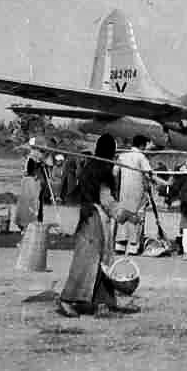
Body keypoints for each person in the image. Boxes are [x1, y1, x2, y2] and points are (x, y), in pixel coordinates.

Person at [58, 134, 140, 317]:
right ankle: (68, 299)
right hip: (94, 220)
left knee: (103, 262)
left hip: (89, 216)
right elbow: (107, 200)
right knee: (88, 261)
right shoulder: (102, 170)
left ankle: (103, 302)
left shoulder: (91, 167)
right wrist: (128, 216)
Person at [115, 136, 153, 255]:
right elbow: (149, 174)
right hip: (137, 193)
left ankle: (120, 245)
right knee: (137, 218)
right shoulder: (141, 157)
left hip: (124, 192)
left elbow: (115, 172)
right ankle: (133, 246)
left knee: (123, 217)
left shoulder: (122, 156)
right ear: (142, 145)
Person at [15, 151, 53, 231]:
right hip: (31, 185)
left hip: (39, 185)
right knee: (30, 204)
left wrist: (43, 164)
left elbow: (49, 168)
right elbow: (28, 172)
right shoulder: (31, 159)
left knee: (38, 204)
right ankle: (28, 224)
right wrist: (40, 165)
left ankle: (37, 222)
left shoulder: (44, 159)